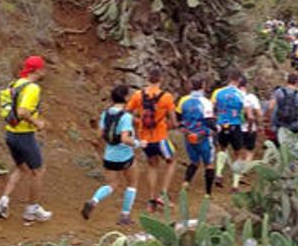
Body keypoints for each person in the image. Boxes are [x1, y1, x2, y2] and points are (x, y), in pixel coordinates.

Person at [0, 56, 53, 223]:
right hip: (23, 135)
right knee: (38, 171)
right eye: (43, 67)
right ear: (36, 70)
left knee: (22, 168)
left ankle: (2, 202)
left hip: (10, 134)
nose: (45, 71)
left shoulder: (16, 83)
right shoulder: (33, 88)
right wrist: (37, 123)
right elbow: (22, 111)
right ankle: (32, 209)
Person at [81, 85, 140, 225]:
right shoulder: (125, 117)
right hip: (124, 155)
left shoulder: (105, 114)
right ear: (125, 98)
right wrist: (138, 143)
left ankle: (94, 200)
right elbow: (125, 139)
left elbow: (100, 134)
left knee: (111, 184)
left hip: (109, 155)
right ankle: (125, 216)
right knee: (132, 183)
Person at [126, 68, 177, 213]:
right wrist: (167, 125)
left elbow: (127, 113)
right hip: (160, 136)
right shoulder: (166, 97)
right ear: (161, 80)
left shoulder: (138, 95)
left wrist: (138, 121)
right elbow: (174, 121)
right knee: (172, 161)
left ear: (147, 79)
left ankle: (151, 200)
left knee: (152, 165)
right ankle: (163, 195)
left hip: (144, 138)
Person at [177, 76, 217, 196]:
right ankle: (208, 193)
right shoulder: (206, 102)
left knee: (194, 161)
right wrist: (217, 128)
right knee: (209, 163)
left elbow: (178, 116)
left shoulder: (183, 100)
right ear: (203, 86)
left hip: (188, 135)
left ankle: (185, 184)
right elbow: (209, 121)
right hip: (203, 136)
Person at [211, 71, 246, 192]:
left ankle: (219, 174)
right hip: (235, 125)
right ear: (239, 80)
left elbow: (211, 108)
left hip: (221, 124)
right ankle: (235, 184)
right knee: (238, 153)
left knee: (222, 148)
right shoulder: (241, 94)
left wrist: (216, 119)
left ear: (229, 78)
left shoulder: (218, 92)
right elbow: (246, 111)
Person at [267, 73, 298, 142]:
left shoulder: (278, 91)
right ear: (297, 82)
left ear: (287, 81)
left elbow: (271, 107)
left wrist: (268, 119)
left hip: (280, 124)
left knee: (281, 144)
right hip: (294, 125)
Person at [240, 76, 262, 163]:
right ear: (246, 85)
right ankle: (246, 168)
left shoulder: (234, 96)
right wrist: (260, 125)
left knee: (239, 150)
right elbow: (259, 113)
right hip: (250, 127)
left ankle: (239, 171)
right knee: (249, 150)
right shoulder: (251, 97)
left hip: (236, 127)